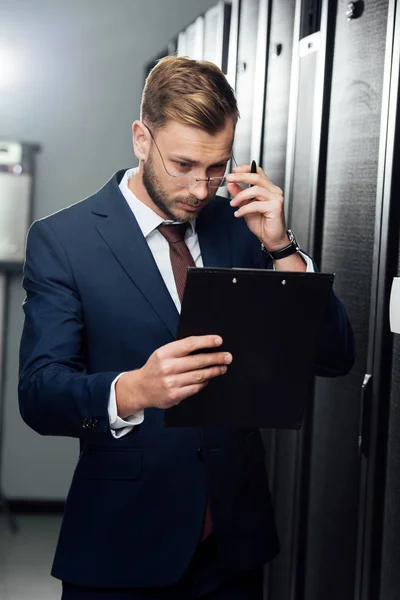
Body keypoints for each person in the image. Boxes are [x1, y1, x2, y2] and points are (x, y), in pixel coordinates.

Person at [18, 56, 355, 600]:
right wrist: (134, 390)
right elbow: (38, 394)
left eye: (217, 167)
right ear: (140, 139)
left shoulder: (243, 224)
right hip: (122, 546)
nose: (202, 189)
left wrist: (281, 247)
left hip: (234, 544)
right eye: (183, 165)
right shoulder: (63, 240)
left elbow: (333, 356)